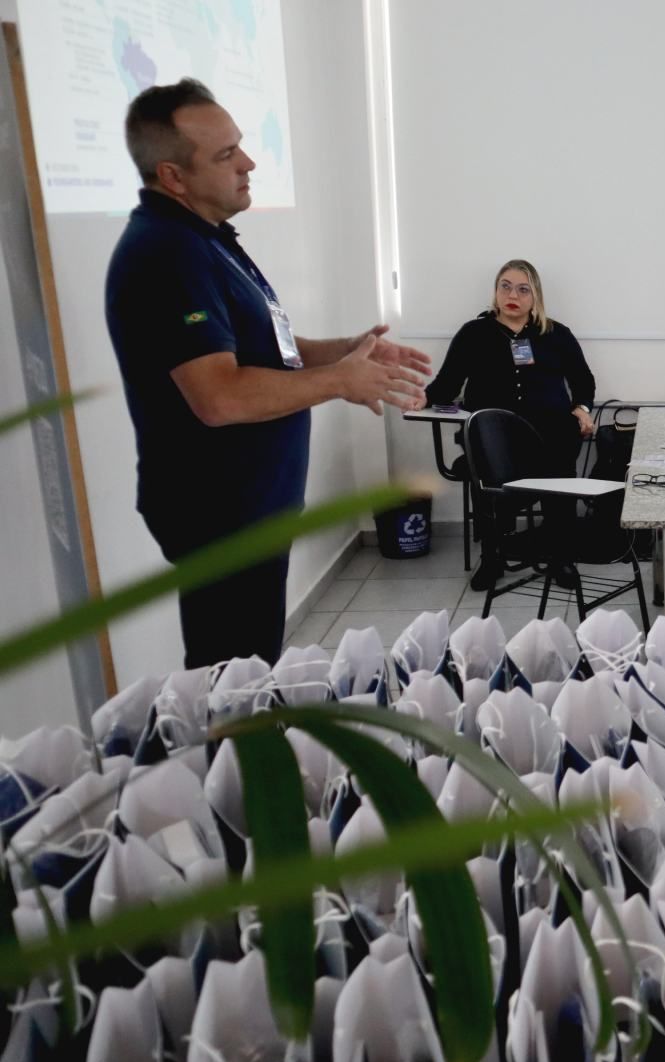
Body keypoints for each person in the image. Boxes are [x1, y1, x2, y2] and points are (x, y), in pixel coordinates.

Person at [104, 79, 429, 668]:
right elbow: (219, 396)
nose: (249, 163)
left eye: (242, 145)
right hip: (219, 517)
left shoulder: (207, 239)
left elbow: (264, 351)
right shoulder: (167, 254)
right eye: (226, 154)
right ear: (173, 176)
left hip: (252, 508)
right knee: (233, 680)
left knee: (250, 669)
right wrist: (339, 381)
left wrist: (347, 351)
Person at [424, 259, 597, 590]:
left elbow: (583, 380)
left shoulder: (556, 334)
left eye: (522, 289)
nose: (512, 295)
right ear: (495, 291)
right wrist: (422, 398)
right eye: (505, 287)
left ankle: (561, 558)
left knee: (560, 469)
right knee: (485, 469)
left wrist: (582, 408)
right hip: (492, 438)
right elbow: (446, 384)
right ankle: (492, 558)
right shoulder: (473, 334)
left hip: (550, 434)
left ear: (535, 297)